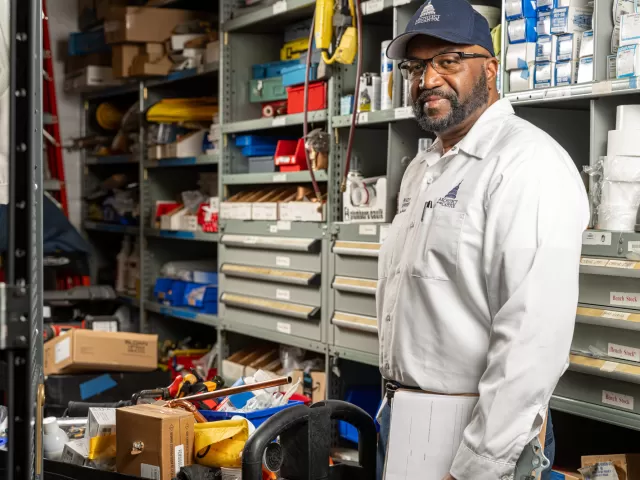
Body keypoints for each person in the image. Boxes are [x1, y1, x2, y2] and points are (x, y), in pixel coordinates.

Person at [375, 0, 590, 479]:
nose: (427, 80)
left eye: (448, 61)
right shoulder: (422, 169)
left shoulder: (527, 165)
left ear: (491, 69)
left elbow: (532, 339)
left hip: (475, 433)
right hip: (404, 420)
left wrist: (480, 465)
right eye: (416, 66)